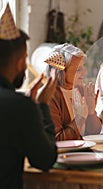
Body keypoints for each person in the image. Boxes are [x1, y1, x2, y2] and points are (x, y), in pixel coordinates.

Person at [0, 4, 57, 189]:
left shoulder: (19, 104)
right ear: (19, 63)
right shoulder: (19, 106)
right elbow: (45, 160)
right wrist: (41, 105)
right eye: (25, 58)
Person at [45, 43, 102, 141]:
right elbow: (58, 140)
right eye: (78, 69)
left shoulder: (81, 90)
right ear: (61, 72)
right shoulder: (51, 97)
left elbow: (94, 132)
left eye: (83, 67)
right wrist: (80, 118)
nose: (85, 72)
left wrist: (91, 112)